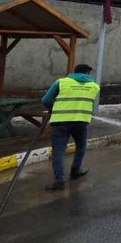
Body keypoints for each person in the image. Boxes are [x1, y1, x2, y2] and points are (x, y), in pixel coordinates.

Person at [42, 63, 101, 191]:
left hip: (60, 122)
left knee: (58, 151)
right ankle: (75, 171)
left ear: (74, 72)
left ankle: (59, 182)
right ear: (87, 74)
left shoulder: (61, 82)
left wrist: (53, 109)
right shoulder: (94, 86)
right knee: (81, 147)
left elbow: (45, 100)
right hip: (80, 122)